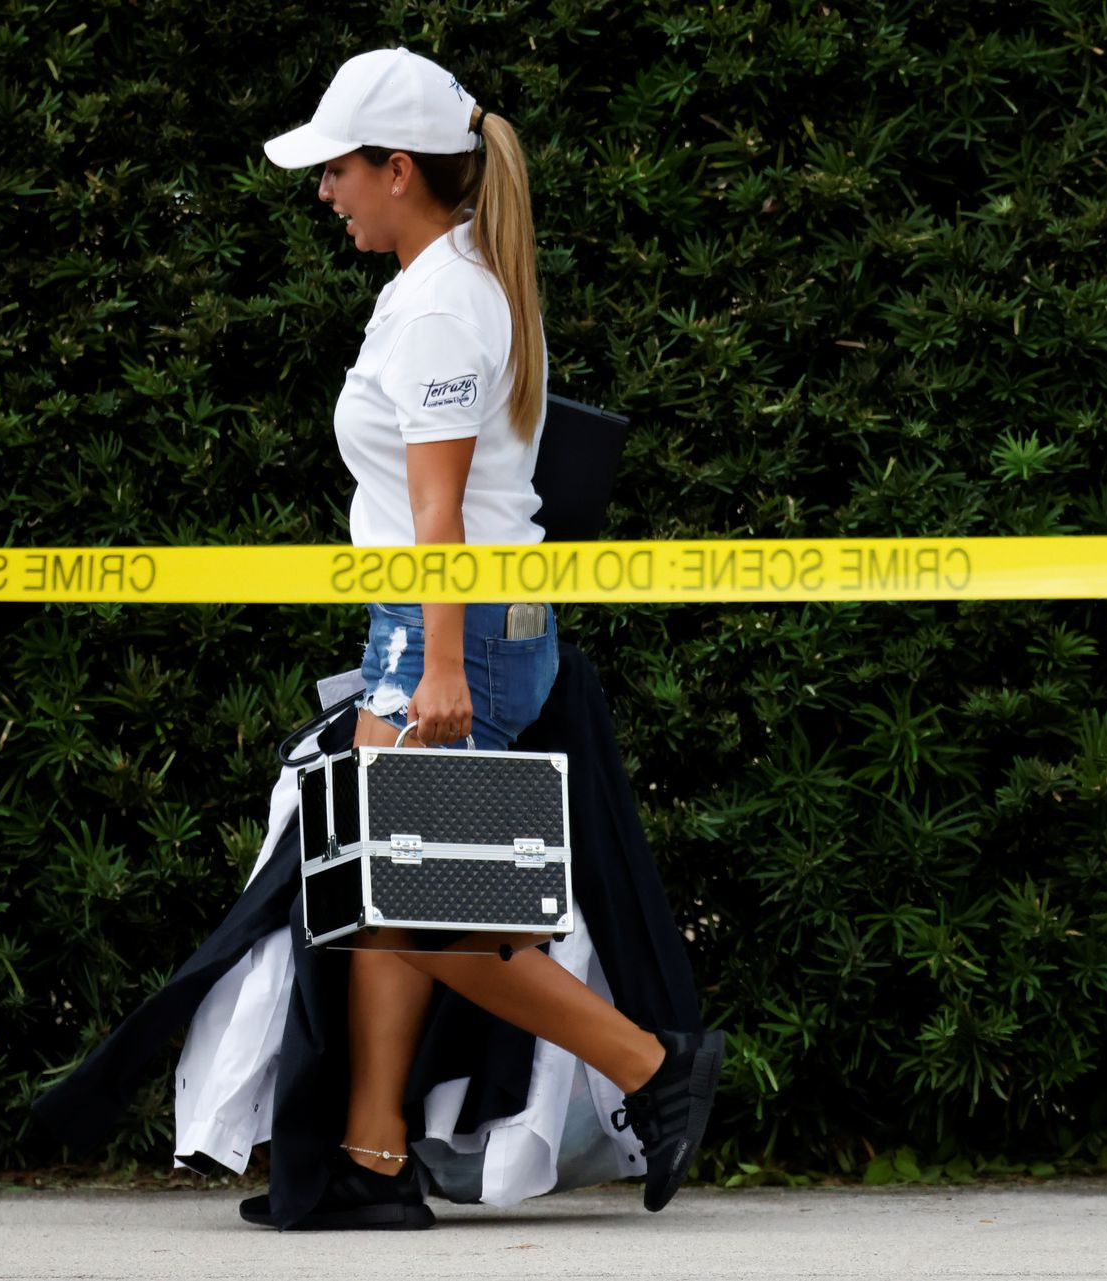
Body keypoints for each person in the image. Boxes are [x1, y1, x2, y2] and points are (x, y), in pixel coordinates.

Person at [247, 46, 725, 1230]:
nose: (326, 192)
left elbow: (444, 516)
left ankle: (650, 1068)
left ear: (399, 170)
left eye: (340, 170)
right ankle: (369, 1154)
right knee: (387, 891)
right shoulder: (442, 285)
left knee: (408, 897)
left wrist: (443, 665)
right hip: (433, 617)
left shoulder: (446, 302)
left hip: (446, 623)